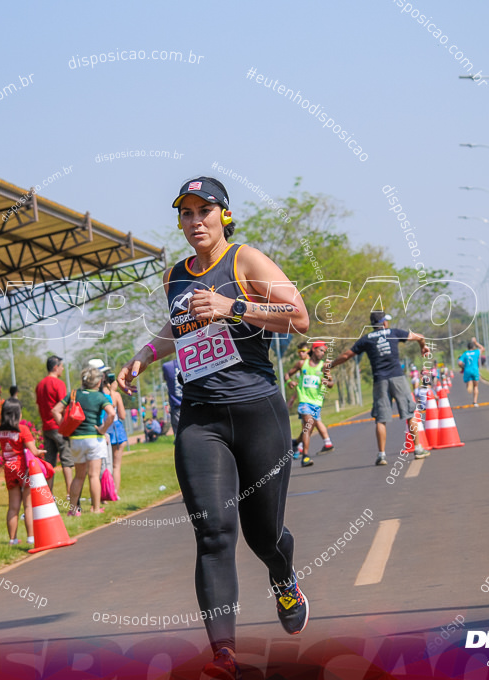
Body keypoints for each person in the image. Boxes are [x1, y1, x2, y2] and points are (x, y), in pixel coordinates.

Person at [116, 176, 311, 676]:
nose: (195, 221)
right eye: (186, 213)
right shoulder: (174, 277)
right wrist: (144, 353)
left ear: (223, 216)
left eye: (205, 211)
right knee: (213, 534)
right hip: (200, 418)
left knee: (262, 536)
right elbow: (176, 329)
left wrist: (232, 305)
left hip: (257, 412)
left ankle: (284, 580)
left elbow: (298, 316)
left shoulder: (244, 259)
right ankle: (223, 653)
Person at [327, 312, 431, 466]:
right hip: (397, 377)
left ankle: (381, 455)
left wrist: (331, 365)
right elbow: (420, 336)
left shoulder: (366, 339)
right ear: (383, 323)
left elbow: (347, 355)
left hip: (380, 380)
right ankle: (418, 449)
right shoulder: (395, 333)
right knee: (410, 413)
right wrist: (423, 347)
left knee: (381, 419)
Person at [51, 367, 114, 516]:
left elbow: (55, 410)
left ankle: (73, 510)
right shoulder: (100, 397)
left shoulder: (74, 394)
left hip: (76, 440)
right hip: (94, 439)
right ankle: (96, 509)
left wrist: (64, 426)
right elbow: (111, 413)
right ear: (99, 382)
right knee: (93, 475)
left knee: (79, 476)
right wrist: (103, 429)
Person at [0, 398, 46, 545]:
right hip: (23, 469)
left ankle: (12, 539)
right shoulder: (22, 429)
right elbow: (33, 451)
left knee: (13, 507)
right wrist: (41, 451)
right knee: (28, 505)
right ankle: (31, 537)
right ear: (17, 413)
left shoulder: (1, 431)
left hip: (9, 469)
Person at [286, 341, 334, 467]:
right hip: (304, 401)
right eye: (321, 350)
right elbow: (287, 375)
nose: (323, 353)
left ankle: (296, 442)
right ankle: (306, 457)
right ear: (314, 349)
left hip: (317, 402)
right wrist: (290, 382)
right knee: (308, 425)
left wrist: (326, 381)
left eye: (324, 351)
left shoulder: (324, 366)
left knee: (309, 429)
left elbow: (331, 383)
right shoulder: (302, 364)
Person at [35, 356, 73, 496]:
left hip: (46, 428)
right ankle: (71, 494)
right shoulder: (58, 384)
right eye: (61, 366)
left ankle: (48, 496)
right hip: (59, 427)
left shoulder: (40, 385)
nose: (63, 369)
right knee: (67, 461)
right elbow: (63, 407)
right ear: (55, 367)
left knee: (49, 464)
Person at [102, 374, 128, 494]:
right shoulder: (115, 395)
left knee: (104, 466)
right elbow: (122, 415)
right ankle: (115, 493)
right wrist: (113, 392)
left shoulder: (99, 396)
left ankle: (105, 492)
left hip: (103, 430)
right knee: (116, 466)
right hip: (116, 431)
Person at [458, 338, 486, 407]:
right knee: (476, 386)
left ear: (467, 347)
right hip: (475, 370)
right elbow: (482, 348)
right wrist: (476, 342)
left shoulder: (465, 353)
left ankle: (469, 384)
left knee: (468, 382)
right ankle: (475, 402)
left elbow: (460, 362)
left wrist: (462, 367)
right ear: (473, 347)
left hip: (467, 370)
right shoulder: (476, 352)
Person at [161, 359, 183, 437]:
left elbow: (165, 378)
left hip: (177, 409)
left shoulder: (166, 366)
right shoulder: (189, 361)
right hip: (191, 404)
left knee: (179, 438)